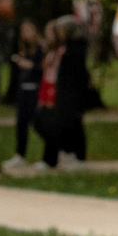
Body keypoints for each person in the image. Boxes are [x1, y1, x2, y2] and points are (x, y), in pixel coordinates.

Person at [38, 14, 92, 172]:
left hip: (73, 94)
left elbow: (77, 74)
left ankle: (78, 156)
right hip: (66, 93)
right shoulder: (69, 47)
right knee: (67, 123)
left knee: (74, 124)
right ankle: (70, 153)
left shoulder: (75, 48)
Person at [10, 20, 44, 162]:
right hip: (24, 89)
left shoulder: (40, 48)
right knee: (21, 123)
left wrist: (30, 65)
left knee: (38, 123)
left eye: (28, 31)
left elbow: (43, 69)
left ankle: (56, 149)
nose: (26, 35)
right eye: (23, 32)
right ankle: (20, 155)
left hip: (35, 90)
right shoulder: (23, 49)